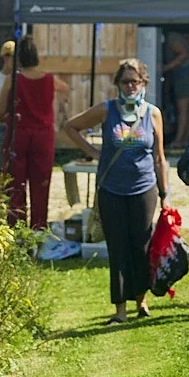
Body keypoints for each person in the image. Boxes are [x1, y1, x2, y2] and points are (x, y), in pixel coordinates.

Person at [63, 59, 168, 323]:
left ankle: (141, 302)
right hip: (111, 189)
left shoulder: (152, 113)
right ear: (117, 84)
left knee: (141, 246)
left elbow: (159, 156)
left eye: (135, 81)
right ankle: (120, 309)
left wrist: (165, 192)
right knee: (118, 248)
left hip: (144, 188)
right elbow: (70, 126)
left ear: (144, 83)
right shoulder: (107, 110)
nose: (130, 86)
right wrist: (93, 152)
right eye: (125, 81)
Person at [2, 39, 58, 233]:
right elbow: (66, 88)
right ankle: (39, 227)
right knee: (41, 183)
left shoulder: (13, 80)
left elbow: (1, 109)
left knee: (15, 183)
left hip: (19, 133)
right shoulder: (49, 78)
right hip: (44, 135)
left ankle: (16, 228)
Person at [160, 31, 189, 148]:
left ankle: (178, 141)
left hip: (185, 73)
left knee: (183, 109)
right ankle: (184, 140)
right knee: (188, 109)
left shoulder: (171, 37)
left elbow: (183, 54)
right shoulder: (180, 36)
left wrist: (165, 68)